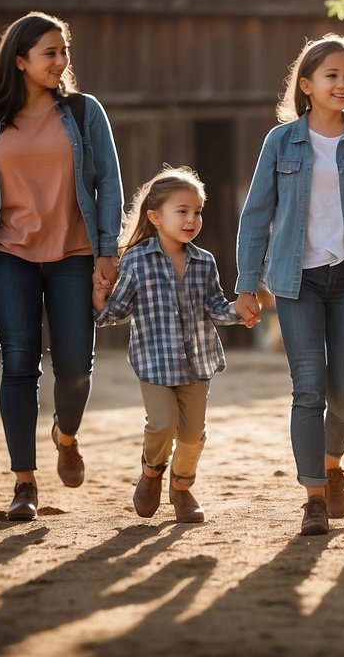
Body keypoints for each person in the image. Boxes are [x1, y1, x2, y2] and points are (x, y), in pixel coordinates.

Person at [235, 34, 344, 536]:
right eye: (332, 75)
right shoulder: (281, 143)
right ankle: (314, 494)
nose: (343, 84)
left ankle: (332, 460)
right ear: (307, 84)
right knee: (308, 388)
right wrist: (246, 284)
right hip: (297, 282)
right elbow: (256, 217)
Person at [0, 11, 122, 522]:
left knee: (74, 367)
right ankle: (24, 481)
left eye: (64, 51)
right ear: (20, 61)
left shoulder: (85, 112)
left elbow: (108, 183)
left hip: (73, 254)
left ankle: (65, 434)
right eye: (51, 52)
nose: (61, 61)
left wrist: (108, 249)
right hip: (9, 256)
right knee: (20, 365)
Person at [93, 166, 253, 524]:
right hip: (154, 363)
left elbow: (216, 307)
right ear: (155, 216)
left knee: (193, 436)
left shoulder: (204, 261)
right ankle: (151, 473)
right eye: (182, 211)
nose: (191, 219)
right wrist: (99, 298)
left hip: (197, 363)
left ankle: (181, 488)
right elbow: (118, 311)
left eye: (197, 211)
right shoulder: (136, 260)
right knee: (162, 425)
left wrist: (239, 311)